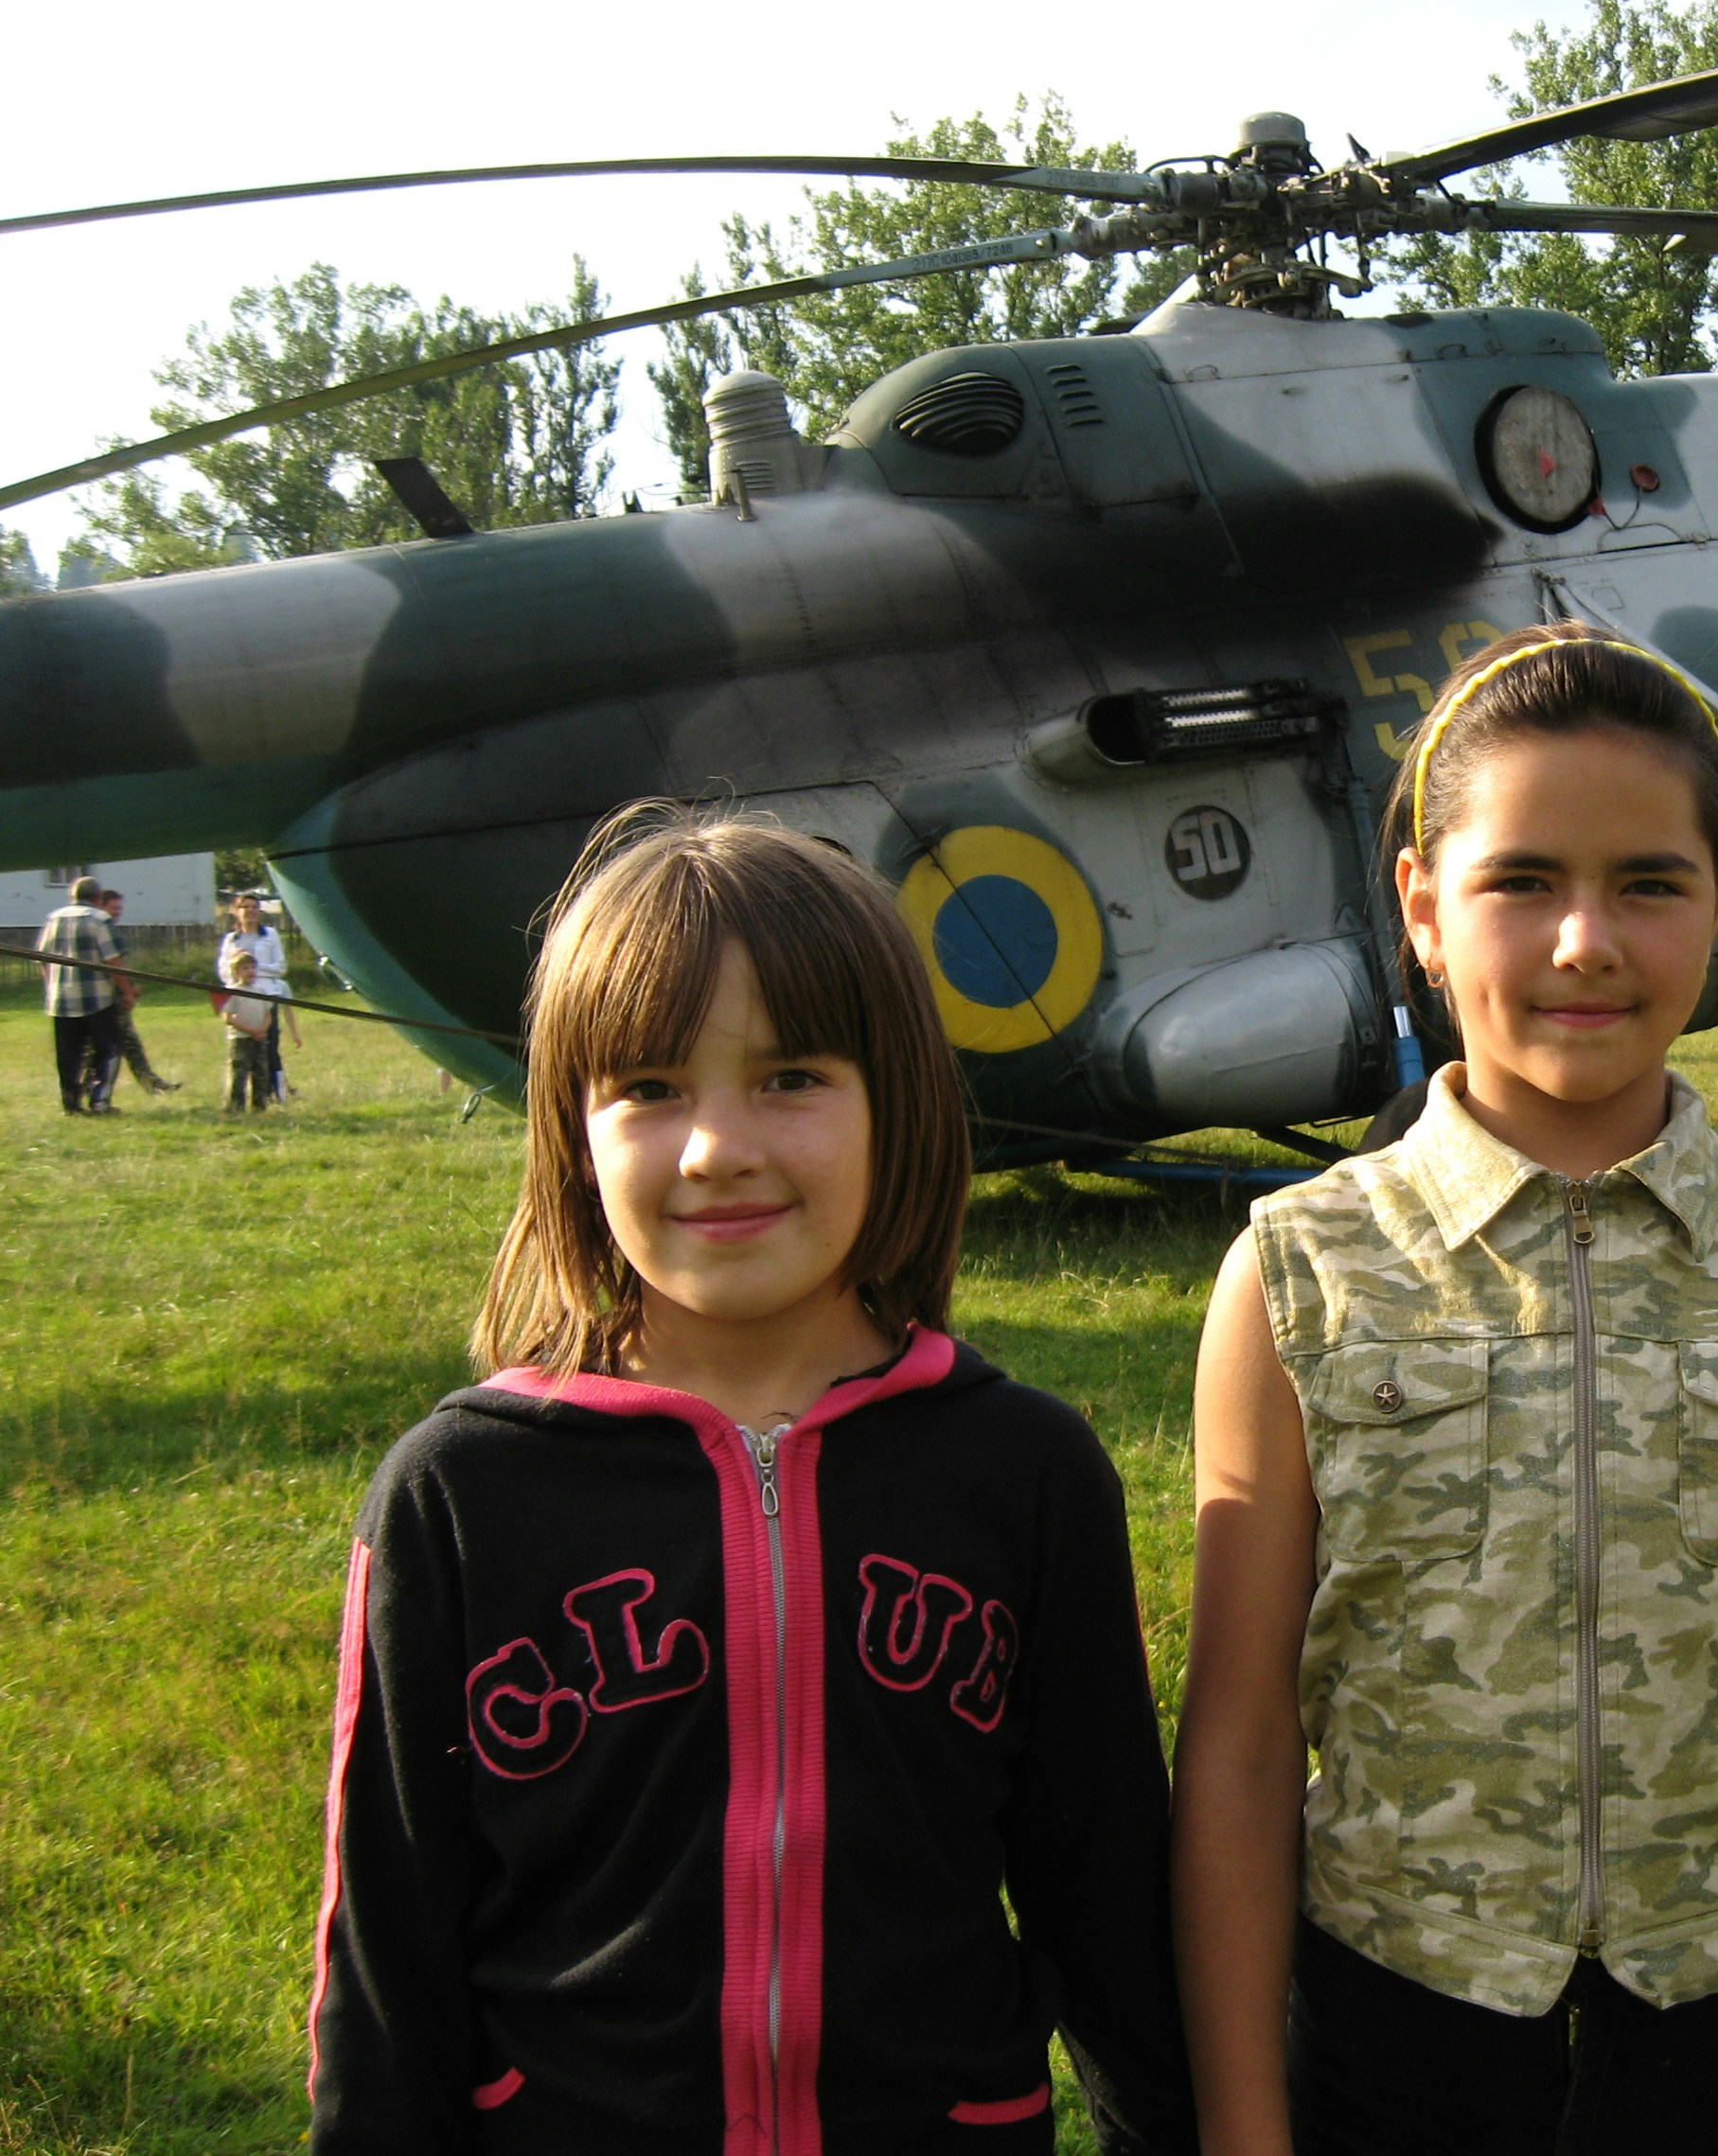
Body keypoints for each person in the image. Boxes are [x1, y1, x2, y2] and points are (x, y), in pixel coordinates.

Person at [1176, 625, 1718, 2156]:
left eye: (1649, 881)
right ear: (1420, 903)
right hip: (1404, 2032)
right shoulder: (1298, 1274)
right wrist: (1243, 2122)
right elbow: (1242, 1740)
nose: (1584, 940)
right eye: (1521, 880)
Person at [308, 808, 1196, 2153]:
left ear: (896, 1097)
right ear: (570, 1131)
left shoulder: (1023, 1471)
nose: (717, 1146)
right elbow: (387, 1947)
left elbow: (1106, 1896)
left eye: (790, 1077)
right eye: (651, 1089)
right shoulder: (460, 1496)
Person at [34, 874, 122, 1115]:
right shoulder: (99, 919)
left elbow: (41, 959)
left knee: (68, 1056)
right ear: (97, 897)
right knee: (108, 1051)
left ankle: (71, 1105)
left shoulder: (53, 919)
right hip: (97, 1000)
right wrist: (128, 990)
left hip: (61, 1000)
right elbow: (113, 960)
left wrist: (52, 985)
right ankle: (99, 1101)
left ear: (72, 896)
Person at [93, 887, 180, 1101]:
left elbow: (118, 964)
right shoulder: (100, 928)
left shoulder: (108, 928)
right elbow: (111, 964)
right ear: (100, 905)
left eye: (120, 908)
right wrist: (128, 991)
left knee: (130, 1044)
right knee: (107, 1048)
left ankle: (151, 1083)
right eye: (114, 908)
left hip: (115, 997)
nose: (118, 912)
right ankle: (95, 1090)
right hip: (105, 1000)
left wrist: (131, 985)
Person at [228, 889, 300, 1099]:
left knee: (270, 1048)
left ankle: (279, 1093)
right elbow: (224, 969)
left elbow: (280, 967)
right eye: (245, 907)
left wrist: (251, 967)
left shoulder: (270, 935)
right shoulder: (231, 940)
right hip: (240, 998)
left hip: (266, 995)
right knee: (241, 1052)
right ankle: (243, 1096)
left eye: (254, 907)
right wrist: (239, 974)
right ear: (237, 911)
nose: (250, 911)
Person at [217, 954, 277, 1112]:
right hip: (241, 1040)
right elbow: (228, 1018)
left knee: (261, 1074)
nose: (250, 971)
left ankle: (259, 1106)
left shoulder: (261, 991)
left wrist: (262, 1031)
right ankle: (235, 1107)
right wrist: (250, 1031)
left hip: (259, 1040)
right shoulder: (233, 992)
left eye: (252, 967)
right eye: (245, 968)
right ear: (236, 973)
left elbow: (267, 1015)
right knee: (239, 1074)